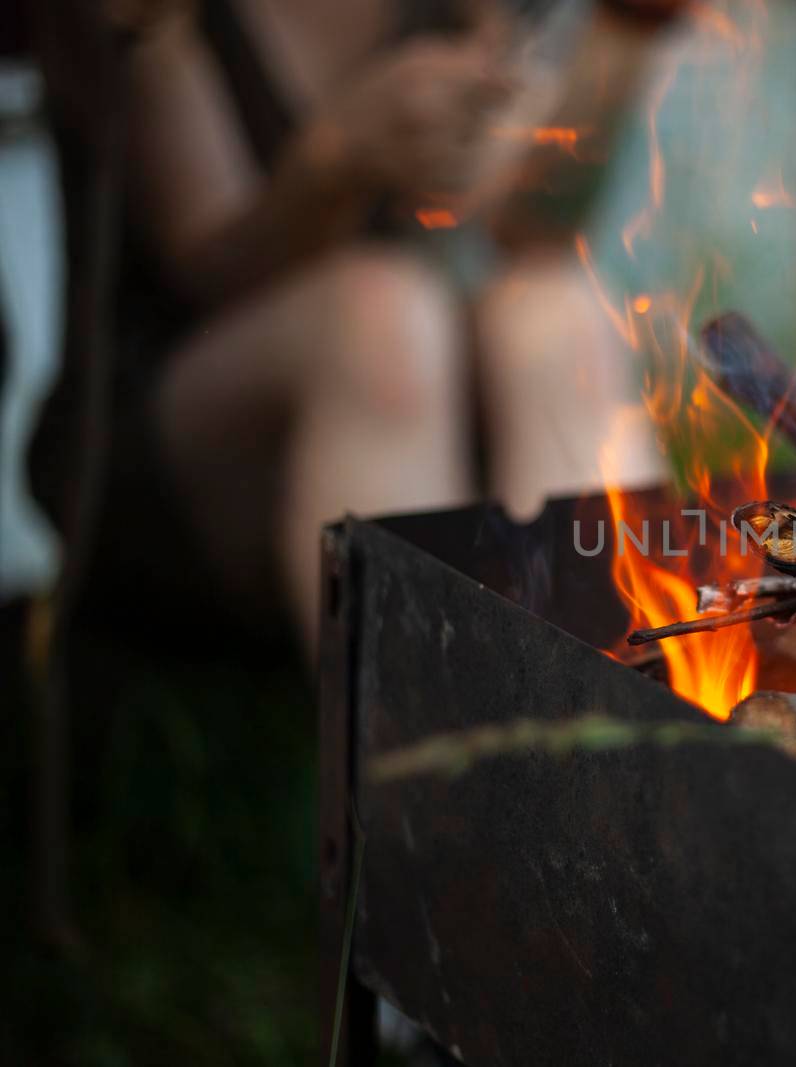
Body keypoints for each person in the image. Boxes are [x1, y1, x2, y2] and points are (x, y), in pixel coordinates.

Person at [121, 0, 672, 647]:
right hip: (182, 453)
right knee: (379, 316)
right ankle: (424, 733)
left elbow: (522, 230)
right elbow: (206, 281)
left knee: (556, 311)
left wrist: (629, 28)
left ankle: (623, 717)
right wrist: (337, 161)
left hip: (412, 426)